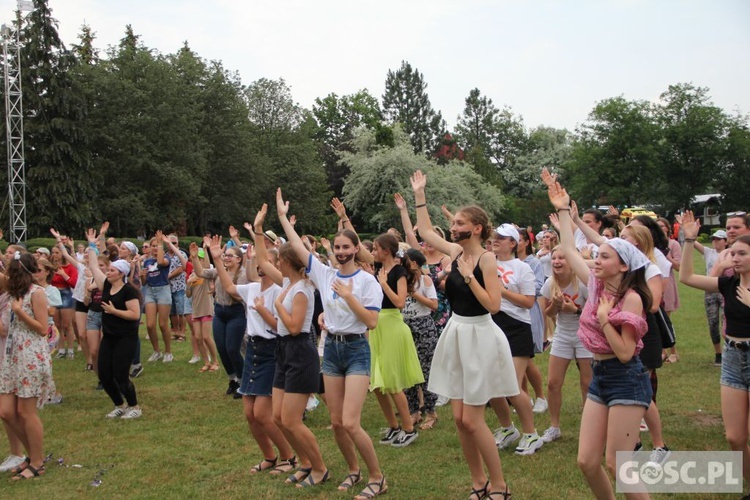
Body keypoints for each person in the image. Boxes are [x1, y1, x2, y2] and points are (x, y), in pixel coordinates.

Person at [546, 173, 652, 500]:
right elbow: (567, 247)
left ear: (623, 266)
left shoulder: (631, 298)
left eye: (604, 256)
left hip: (625, 377)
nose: (596, 260)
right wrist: (564, 211)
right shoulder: (595, 283)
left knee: (617, 463)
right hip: (600, 377)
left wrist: (605, 319)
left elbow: (624, 352)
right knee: (587, 462)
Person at [411, 170, 516, 499]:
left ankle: (500, 486)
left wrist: (470, 278)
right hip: (456, 333)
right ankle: (478, 483)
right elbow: (425, 230)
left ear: (477, 228)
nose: (454, 228)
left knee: (472, 421)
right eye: (453, 224)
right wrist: (419, 195)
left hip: (480, 336)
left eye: (459, 224)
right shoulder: (455, 254)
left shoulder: (486, 259)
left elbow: (494, 307)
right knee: (459, 419)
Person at [277, 189, 388, 499]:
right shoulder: (324, 274)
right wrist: (284, 218)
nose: (341, 251)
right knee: (337, 423)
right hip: (331, 351)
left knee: (351, 423)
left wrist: (350, 296)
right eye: (337, 246)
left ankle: (377, 477)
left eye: (346, 247)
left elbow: (371, 322)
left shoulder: (367, 281)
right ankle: (353, 471)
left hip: (355, 350)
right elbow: (297, 246)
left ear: (356, 249)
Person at [678, 211, 750, 489]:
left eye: (742, 253)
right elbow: (685, 277)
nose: (735, 258)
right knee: (734, 437)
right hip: (733, 359)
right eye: (733, 254)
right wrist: (689, 240)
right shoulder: (728, 283)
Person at [488, 223, 544, 456]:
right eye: (494, 238)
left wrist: (501, 290)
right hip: (491, 324)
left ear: (513, 243)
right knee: (491, 385)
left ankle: (531, 434)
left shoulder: (522, 268)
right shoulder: (486, 262)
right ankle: (507, 428)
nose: (496, 241)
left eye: (502, 238)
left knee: (511, 384)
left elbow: (529, 301)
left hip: (517, 327)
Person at [0, 252, 55, 479]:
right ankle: (31, 456)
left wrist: (20, 312)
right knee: (6, 412)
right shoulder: (12, 294)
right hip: (12, 356)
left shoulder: (37, 294)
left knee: (25, 412)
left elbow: (43, 329)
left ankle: (37, 462)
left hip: (31, 356)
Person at [368, 233, 424, 448]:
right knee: (377, 383)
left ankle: (408, 428)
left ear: (386, 250)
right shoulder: (377, 269)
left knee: (391, 382)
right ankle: (393, 426)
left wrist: (384, 285)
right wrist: (344, 219)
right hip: (377, 325)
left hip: (392, 324)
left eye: (376, 248)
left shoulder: (398, 271)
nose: (373, 251)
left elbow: (400, 302)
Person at [85, 229, 143, 419]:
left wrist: (114, 311)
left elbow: (135, 315)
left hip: (125, 337)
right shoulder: (107, 285)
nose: (107, 272)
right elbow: (94, 266)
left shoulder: (129, 291)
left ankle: (134, 407)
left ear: (121, 273)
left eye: (111, 270)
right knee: (104, 374)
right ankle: (119, 404)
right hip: (109, 337)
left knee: (120, 375)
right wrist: (92, 245)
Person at [539, 246, 592, 443]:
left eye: (562, 257)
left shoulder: (584, 284)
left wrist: (574, 309)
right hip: (562, 335)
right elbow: (549, 314)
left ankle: (589, 427)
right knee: (553, 383)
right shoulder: (550, 284)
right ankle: (554, 427)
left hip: (585, 335)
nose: (557, 261)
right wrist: (556, 305)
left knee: (587, 383)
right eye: (554, 258)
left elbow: (594, 316)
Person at [192, 235, 249, 398]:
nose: (226, 258)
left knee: (232, 348)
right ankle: (233, 380)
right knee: (222, 348)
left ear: (239, 259)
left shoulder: (243, 275)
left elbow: (241, 297)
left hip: (236, 312)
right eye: (225, 255)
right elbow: (200, 272)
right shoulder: (218, 270)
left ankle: (242, 380)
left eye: (230, 255)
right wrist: (195, 258)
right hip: (220, 312)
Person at [402, 248, 440, 430]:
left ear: (414, 263)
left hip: (423, 326)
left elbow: (434, 305)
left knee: (426, 371)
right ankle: (414, 411)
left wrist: (414, 294)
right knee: (407, 371)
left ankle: (431, 412)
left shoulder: (425, 280)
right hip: (405, 326)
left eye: (406, 260)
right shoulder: (402, 280)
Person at [690, 229, 729, 365]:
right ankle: (718, 353)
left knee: (727, 322)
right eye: (714, 239)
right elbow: (692, 243)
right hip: (710, 291)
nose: (715, 241)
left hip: (725, 291)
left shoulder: (730, 255)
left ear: (726, 241)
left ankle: (728, 351)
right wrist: (687, 231)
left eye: (719, 239)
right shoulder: (709, 252)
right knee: (713, 323)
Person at [141, 231, 174, 362]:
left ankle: (168, 351)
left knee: (163, 324)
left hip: (163, 290)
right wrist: (143, 275)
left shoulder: (166, 258)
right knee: (149, 325)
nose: (155, 247)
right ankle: (156, 351)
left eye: (157, 245)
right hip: (150, 290)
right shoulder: (147, 262)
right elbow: (144, 282)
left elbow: (160, 261)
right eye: (153, 245)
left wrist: (161, 244)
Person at [186, 244, 219, 373]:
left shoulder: (205, 273)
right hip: (196, 310)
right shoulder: (191, 276)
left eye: (200, 259)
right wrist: (189, 283)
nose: (197, 261)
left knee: (206, 336)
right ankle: (206, 362)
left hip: (206, 309)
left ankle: (215, 361)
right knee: (198, 337)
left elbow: (206, 264)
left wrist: (205, 250)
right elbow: (188, 294)